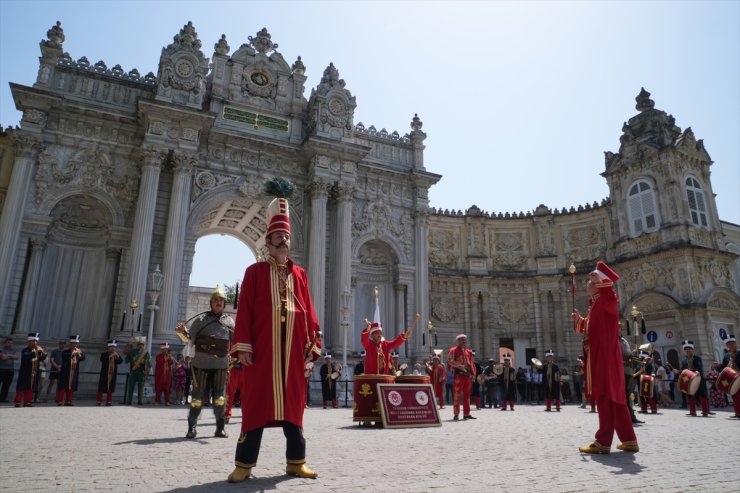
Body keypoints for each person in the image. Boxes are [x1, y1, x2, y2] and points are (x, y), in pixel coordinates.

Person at [228, 187, 322, 482]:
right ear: (267, 242)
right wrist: (243, 346)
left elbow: (308, 309)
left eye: (286, 236)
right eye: (278, 236)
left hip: (293, 353)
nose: (284, 240)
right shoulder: (254, 272)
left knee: (294, 408)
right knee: (257, 407)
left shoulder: (301, 274)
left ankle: (297, 462)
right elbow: (244, 312)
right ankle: (244, 466)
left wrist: (313, 343)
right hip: (263, 352)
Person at [572, 261, 638, 454]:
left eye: (590, 282)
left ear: (599, 284)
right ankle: (629, 439)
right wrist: (580, 321)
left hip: (605, 356)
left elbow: (610, 291)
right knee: (615, 398)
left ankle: (603, 441)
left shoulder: (607, 298)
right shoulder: (596, 305)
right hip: (602, 354)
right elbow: (592, 328)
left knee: (605, 396)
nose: (587, 285)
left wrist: (600, 277)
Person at [176, 285, 234, 439]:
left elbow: (236, 342)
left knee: (219, 399)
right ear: (211, 302)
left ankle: (220, 428)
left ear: (224, 302)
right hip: (201, 364)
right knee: (196, 399)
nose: (218, 302)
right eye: (216, 300)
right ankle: (192, 428)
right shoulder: (200, 320)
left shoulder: (229, 321)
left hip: (220, 365)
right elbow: (189, 339)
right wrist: (182, 332)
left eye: (221, 300)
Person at [447, 333, 477, 421]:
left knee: (467, 395)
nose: (464, 341)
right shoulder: (453, 350)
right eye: (462, 339)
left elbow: (471, 363)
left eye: (465, 339)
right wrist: (459, 366)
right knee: (457, 394)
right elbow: (449, 360)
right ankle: (456, 414)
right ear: (458, 341)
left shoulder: (468, 351)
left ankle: (466, 414)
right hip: (459, 375)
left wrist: (473, 373)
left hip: (468, 376)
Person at [14, 333, 47, 407]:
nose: (34, 343)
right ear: (28, 342)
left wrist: (42, 352)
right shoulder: (25, 350)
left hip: (34, 372)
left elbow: (43, 357)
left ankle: (27, 402)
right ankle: (18, 402)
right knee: (21, 387)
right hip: (25, 372)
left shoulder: (37, 350)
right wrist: (35, 352)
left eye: (35, 341)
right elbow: (27, 356)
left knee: (31, 386)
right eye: (32, 341)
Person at [680, 340, 711, 417]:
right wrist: (678, 371)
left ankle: (705, 411)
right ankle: (692, 411)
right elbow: (683, 370)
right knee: (690, 395)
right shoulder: (684, 360)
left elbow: (699, 367)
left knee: (702, 395)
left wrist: (697, 371)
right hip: (689, 380)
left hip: (698, 378)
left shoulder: (697, 358)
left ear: (692, 349)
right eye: (686, 349)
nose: (687, 350)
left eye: (689, 349)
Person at [619, 331, 642, 424]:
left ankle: (631, 415)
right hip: (621, 371)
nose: (620, 328)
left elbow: (628, 355)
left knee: (630, 395)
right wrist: (624, 361)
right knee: (625, 395)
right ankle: (627, 416)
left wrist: (633, 357)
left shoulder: (624, 340)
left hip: (629, 371)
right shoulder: (614, 340)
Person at [55, 335, 85, 406]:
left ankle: (68, 401)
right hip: (65, 372)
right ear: (70, 344)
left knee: (71, 386)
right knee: (62, 386)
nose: (75, 345)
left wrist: (80, 353)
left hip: (74, 371)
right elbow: (65, 357)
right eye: (73, 343)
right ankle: (59, 401)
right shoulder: (65, 352)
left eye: (76, 344)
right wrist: (73, 354)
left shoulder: (78, 352)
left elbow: (83, 358)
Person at [718, 334, 740, 418]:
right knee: (734, 395)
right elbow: (724, 367)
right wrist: (718, 366)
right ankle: (737, 412)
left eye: (732, 342)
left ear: (735, 343)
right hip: (731, 379)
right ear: (727, 345)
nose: (731, 344)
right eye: (729, 343)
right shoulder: (726, 355)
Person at [124, 337, 150, 406]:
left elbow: (148, 364)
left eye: (142, 344)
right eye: (139, 344)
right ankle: (129, 400)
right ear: (137, 345)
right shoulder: (133, 351)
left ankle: (140, 400)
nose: (140, 346)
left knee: (141, 388)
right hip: (133, 371)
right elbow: (127, 360)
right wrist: (128, 351)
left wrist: (147, 373)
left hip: (142, 372)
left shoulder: (146, 353)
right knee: (131, 386)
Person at [97, 339, 123, 406]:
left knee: (111, 387)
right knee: (101, 387)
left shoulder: (116, 354)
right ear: (108, 347)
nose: (113, 348)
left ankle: (109, 401)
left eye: (114, 347)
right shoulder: (104, 354)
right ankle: (99, 401)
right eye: (111, 347)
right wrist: (110, 356)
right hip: (104, 373)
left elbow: (120, 361)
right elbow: (102, 360)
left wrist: (117, 357)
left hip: (112, 373)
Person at [225, 353, 243, 423]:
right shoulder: (230, 342)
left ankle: (246, 414)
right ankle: (227, 414)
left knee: (245, 395)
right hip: (233, 369)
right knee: (229, 393)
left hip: (245, 369)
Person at [0, 337, 18, 403]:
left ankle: (3, 398)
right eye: (9, 343)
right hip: (1, 369)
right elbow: (2, 357)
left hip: (10, 370)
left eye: (11, 343)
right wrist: (11, 356)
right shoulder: (1, 349)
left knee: (6, 385)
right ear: (5, 343)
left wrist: (8, 355)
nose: (10, 344)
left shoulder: (13, 350)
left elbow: (16, 357)